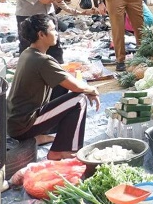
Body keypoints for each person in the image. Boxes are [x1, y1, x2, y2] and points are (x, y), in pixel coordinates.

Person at [7, 15, 100, 161]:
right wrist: (92, 90)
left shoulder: (27, 53)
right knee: (79, 100)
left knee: (68, 91)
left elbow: (65, 78)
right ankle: (62, 150)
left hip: (14, 123)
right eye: (53, 29)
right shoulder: (42, 60)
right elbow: (75, 86)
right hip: (23, 125)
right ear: (41, 34)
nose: (57, 33)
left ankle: (42, 137)